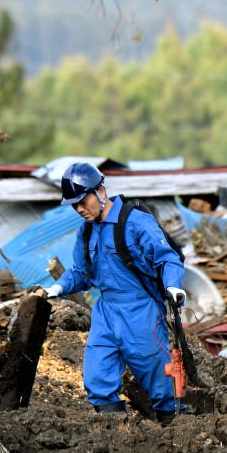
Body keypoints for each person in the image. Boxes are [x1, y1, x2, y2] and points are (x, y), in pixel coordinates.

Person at [39, 162, 187, 424]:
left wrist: (173, 285)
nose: (79, 209)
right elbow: (81, 273)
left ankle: (175, 430)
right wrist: (57, 287)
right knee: (97, 376)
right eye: (74, 205)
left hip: (141, 311)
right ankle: (116, 437)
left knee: (159, 381)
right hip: (106, 313)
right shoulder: (85, 233)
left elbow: (168, 260)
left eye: (83, 201)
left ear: (101, 192)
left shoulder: (136, 222)